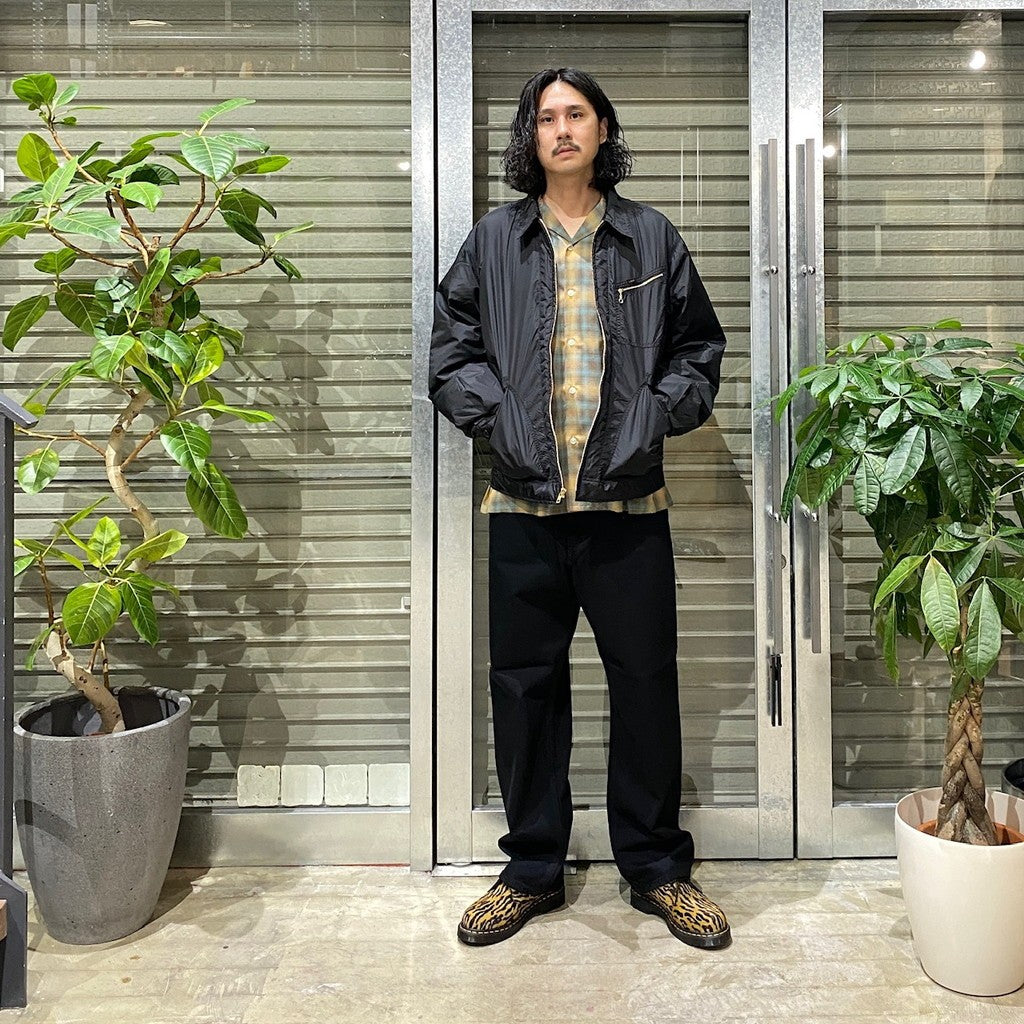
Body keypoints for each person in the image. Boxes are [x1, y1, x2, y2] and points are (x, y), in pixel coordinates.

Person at [428, 67, 730, 950]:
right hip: (522, 507)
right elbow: (451, 355)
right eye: (545, 117)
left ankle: (658, 868)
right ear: (530, 137)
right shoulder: (493, 240)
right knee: (524, 690)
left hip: (628, 507)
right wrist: (501, 422)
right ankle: (531, 870)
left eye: (577, 114)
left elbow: (699, 351)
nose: (561, 129)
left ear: (602, 130)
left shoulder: (650, 236)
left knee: (645, 687)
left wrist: (653, 415)